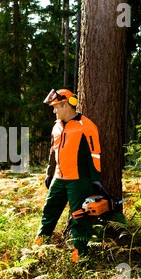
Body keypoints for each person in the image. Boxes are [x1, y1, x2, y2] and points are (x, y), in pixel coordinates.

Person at [35, 89, 101, 262]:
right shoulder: (56, 126)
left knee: (79, 216)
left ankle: (80, 253)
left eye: (56, 107)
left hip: (79, 180)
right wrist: (50, 174)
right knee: (49, 211)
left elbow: (95, 154)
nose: (54, 111)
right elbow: (52, 152)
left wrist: (95, 179)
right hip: (59, 178)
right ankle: (40, 243)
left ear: (66, 105)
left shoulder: (86, 126)